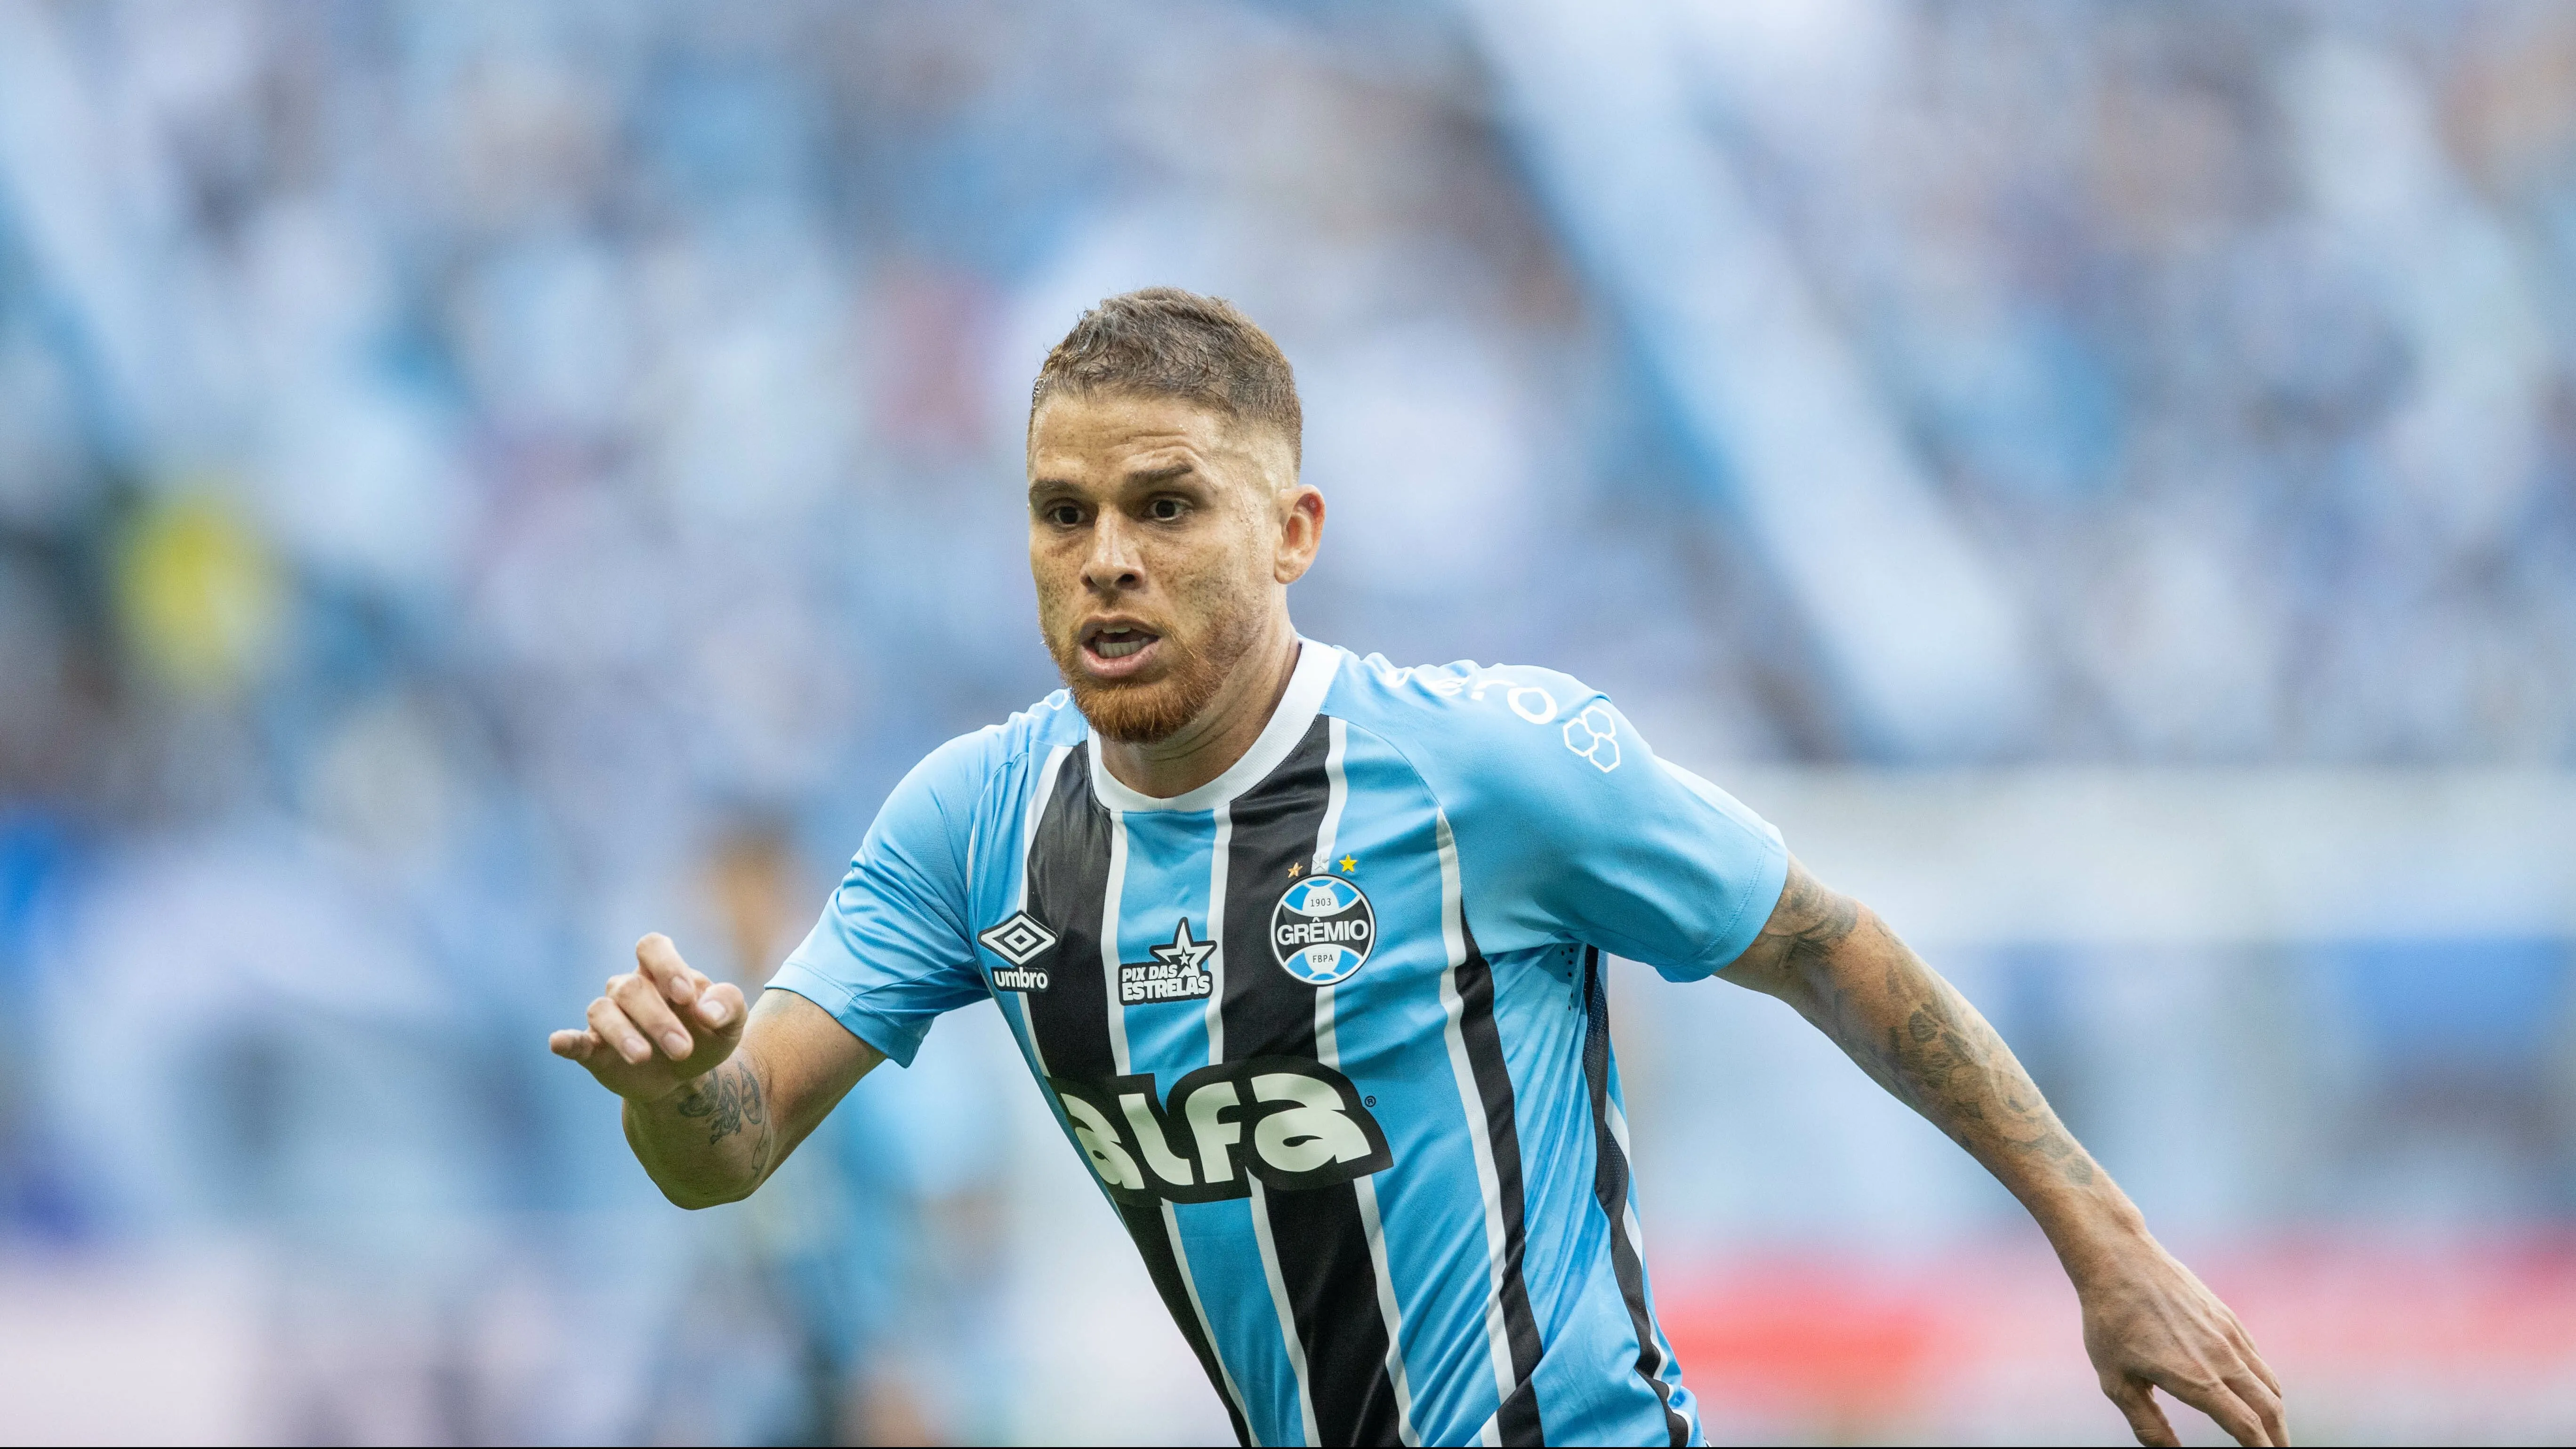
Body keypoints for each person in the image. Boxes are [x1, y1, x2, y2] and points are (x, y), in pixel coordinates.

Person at [550, 288, 2287, 1448]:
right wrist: (679, 1088)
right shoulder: (974, 822)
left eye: (1167, 506)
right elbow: (731, 1151)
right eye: (1060, 510)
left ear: (1294, 532)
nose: (1105, 561)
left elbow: (1829, 946)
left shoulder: (1487, 765)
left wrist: (2104, 1241)